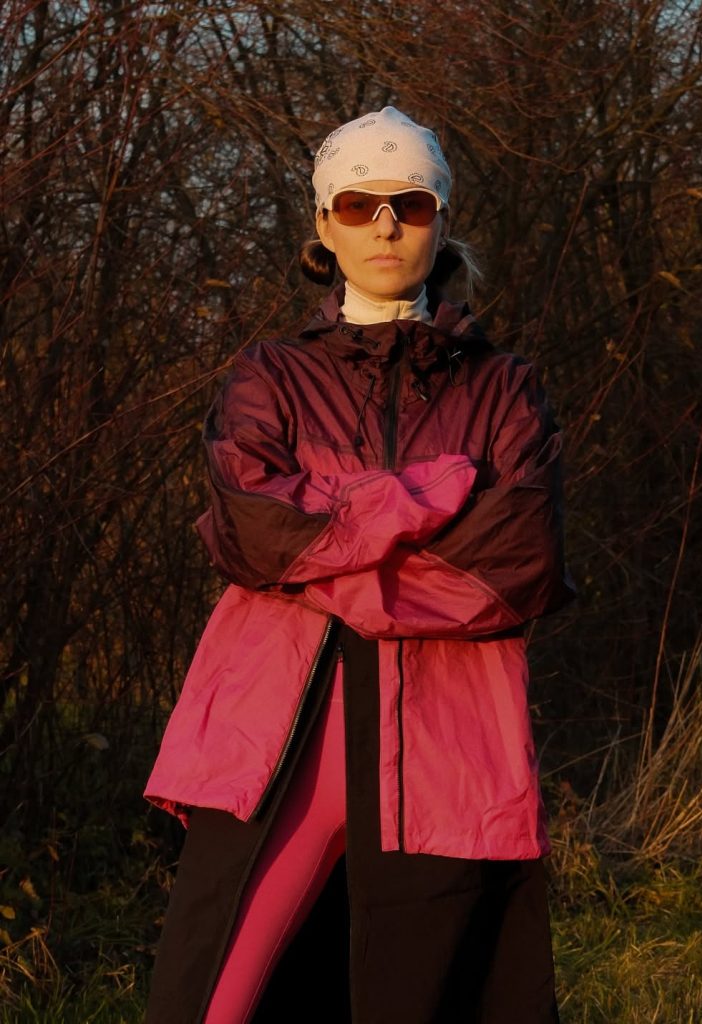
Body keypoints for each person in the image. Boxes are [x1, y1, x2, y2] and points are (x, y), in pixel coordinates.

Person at [144, 105, 575, 1024]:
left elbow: (515, 563)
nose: (384, 225)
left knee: (422, 1000)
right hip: (272, 734)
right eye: (357, 204)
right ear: (324, 225)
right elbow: (253, 532)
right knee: (211, 999)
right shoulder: (268, 375)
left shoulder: (503, 385)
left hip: (447, 743)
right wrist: (424, 497)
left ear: (441, 222)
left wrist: (327, 532)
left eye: (409, 204)